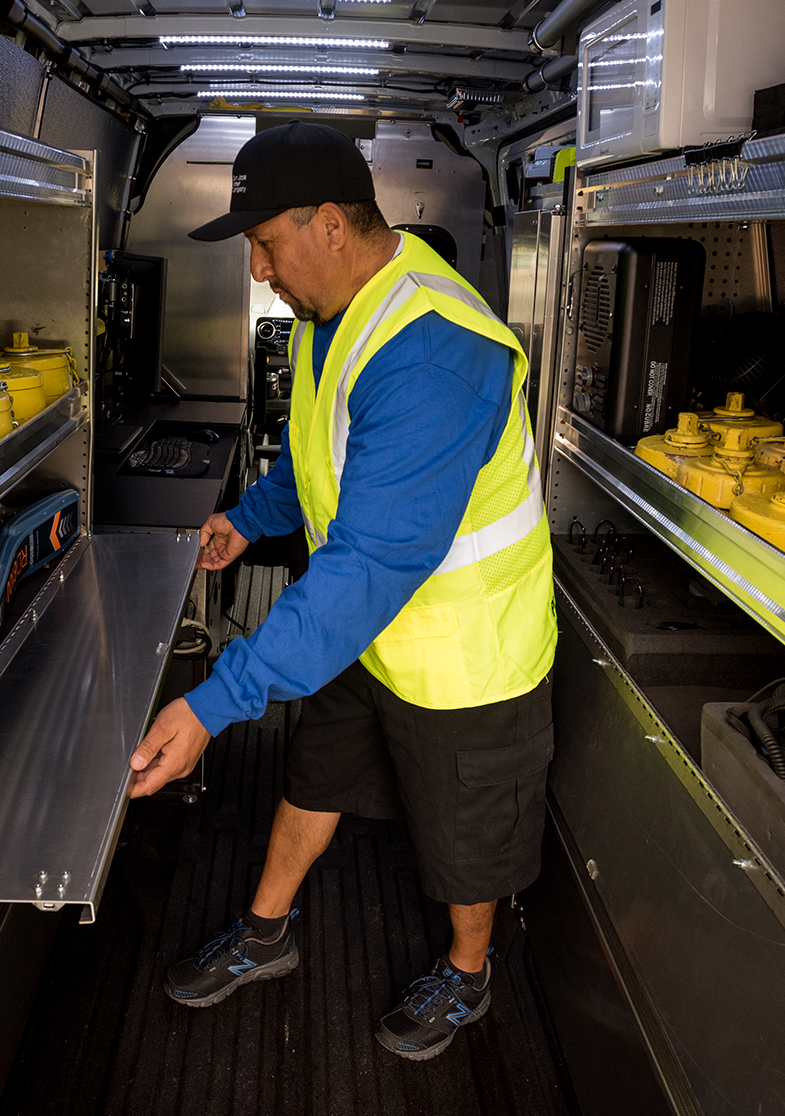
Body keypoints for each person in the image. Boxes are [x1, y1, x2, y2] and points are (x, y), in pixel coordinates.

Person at [125, 120, 557, 1062]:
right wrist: (252, 515)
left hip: (463, 654)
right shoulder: (332, 316)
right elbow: (324, 457)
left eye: (264, 243)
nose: (256, 270)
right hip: (363, 632)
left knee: (465, 838)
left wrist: (210, 706)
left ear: (328, 224)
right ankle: (266, 932)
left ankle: (470, 977)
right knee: (314, 772)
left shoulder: (434, 352)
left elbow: (368, 564)